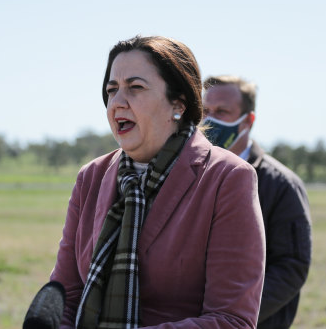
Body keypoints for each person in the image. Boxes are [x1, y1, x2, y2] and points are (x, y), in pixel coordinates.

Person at [50, 36, 266, 328]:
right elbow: (66, 294)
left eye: (135, 88)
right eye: (111, 90)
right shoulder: (91, 177)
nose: (117, 103)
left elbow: (232, 319)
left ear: (178, 104)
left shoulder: (227, 178)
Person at [202, 75, 312, 329]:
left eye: (222, 112)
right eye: (205, 111)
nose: (210, 121)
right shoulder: (188, 173)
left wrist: (235, 316)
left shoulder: (281, 184)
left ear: (248, 121)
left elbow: (291, 267)